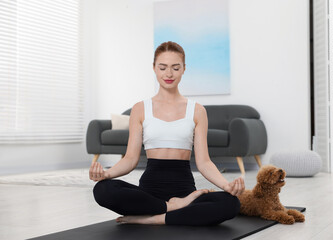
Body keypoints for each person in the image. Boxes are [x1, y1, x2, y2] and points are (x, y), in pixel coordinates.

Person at [89, 41, 245, 226]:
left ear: (184, 69)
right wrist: (105, 175)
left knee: (231, 203)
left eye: (175, 68)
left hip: (185, 191)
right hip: (148, 193)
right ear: (154, 68)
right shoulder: (140, 109)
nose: (169, 74)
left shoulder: (197, 110)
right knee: (103, 190)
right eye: (162, 68)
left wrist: (226, 186)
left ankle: (155, 218)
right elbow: (130, 159)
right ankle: (169, 209)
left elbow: (204, 162)